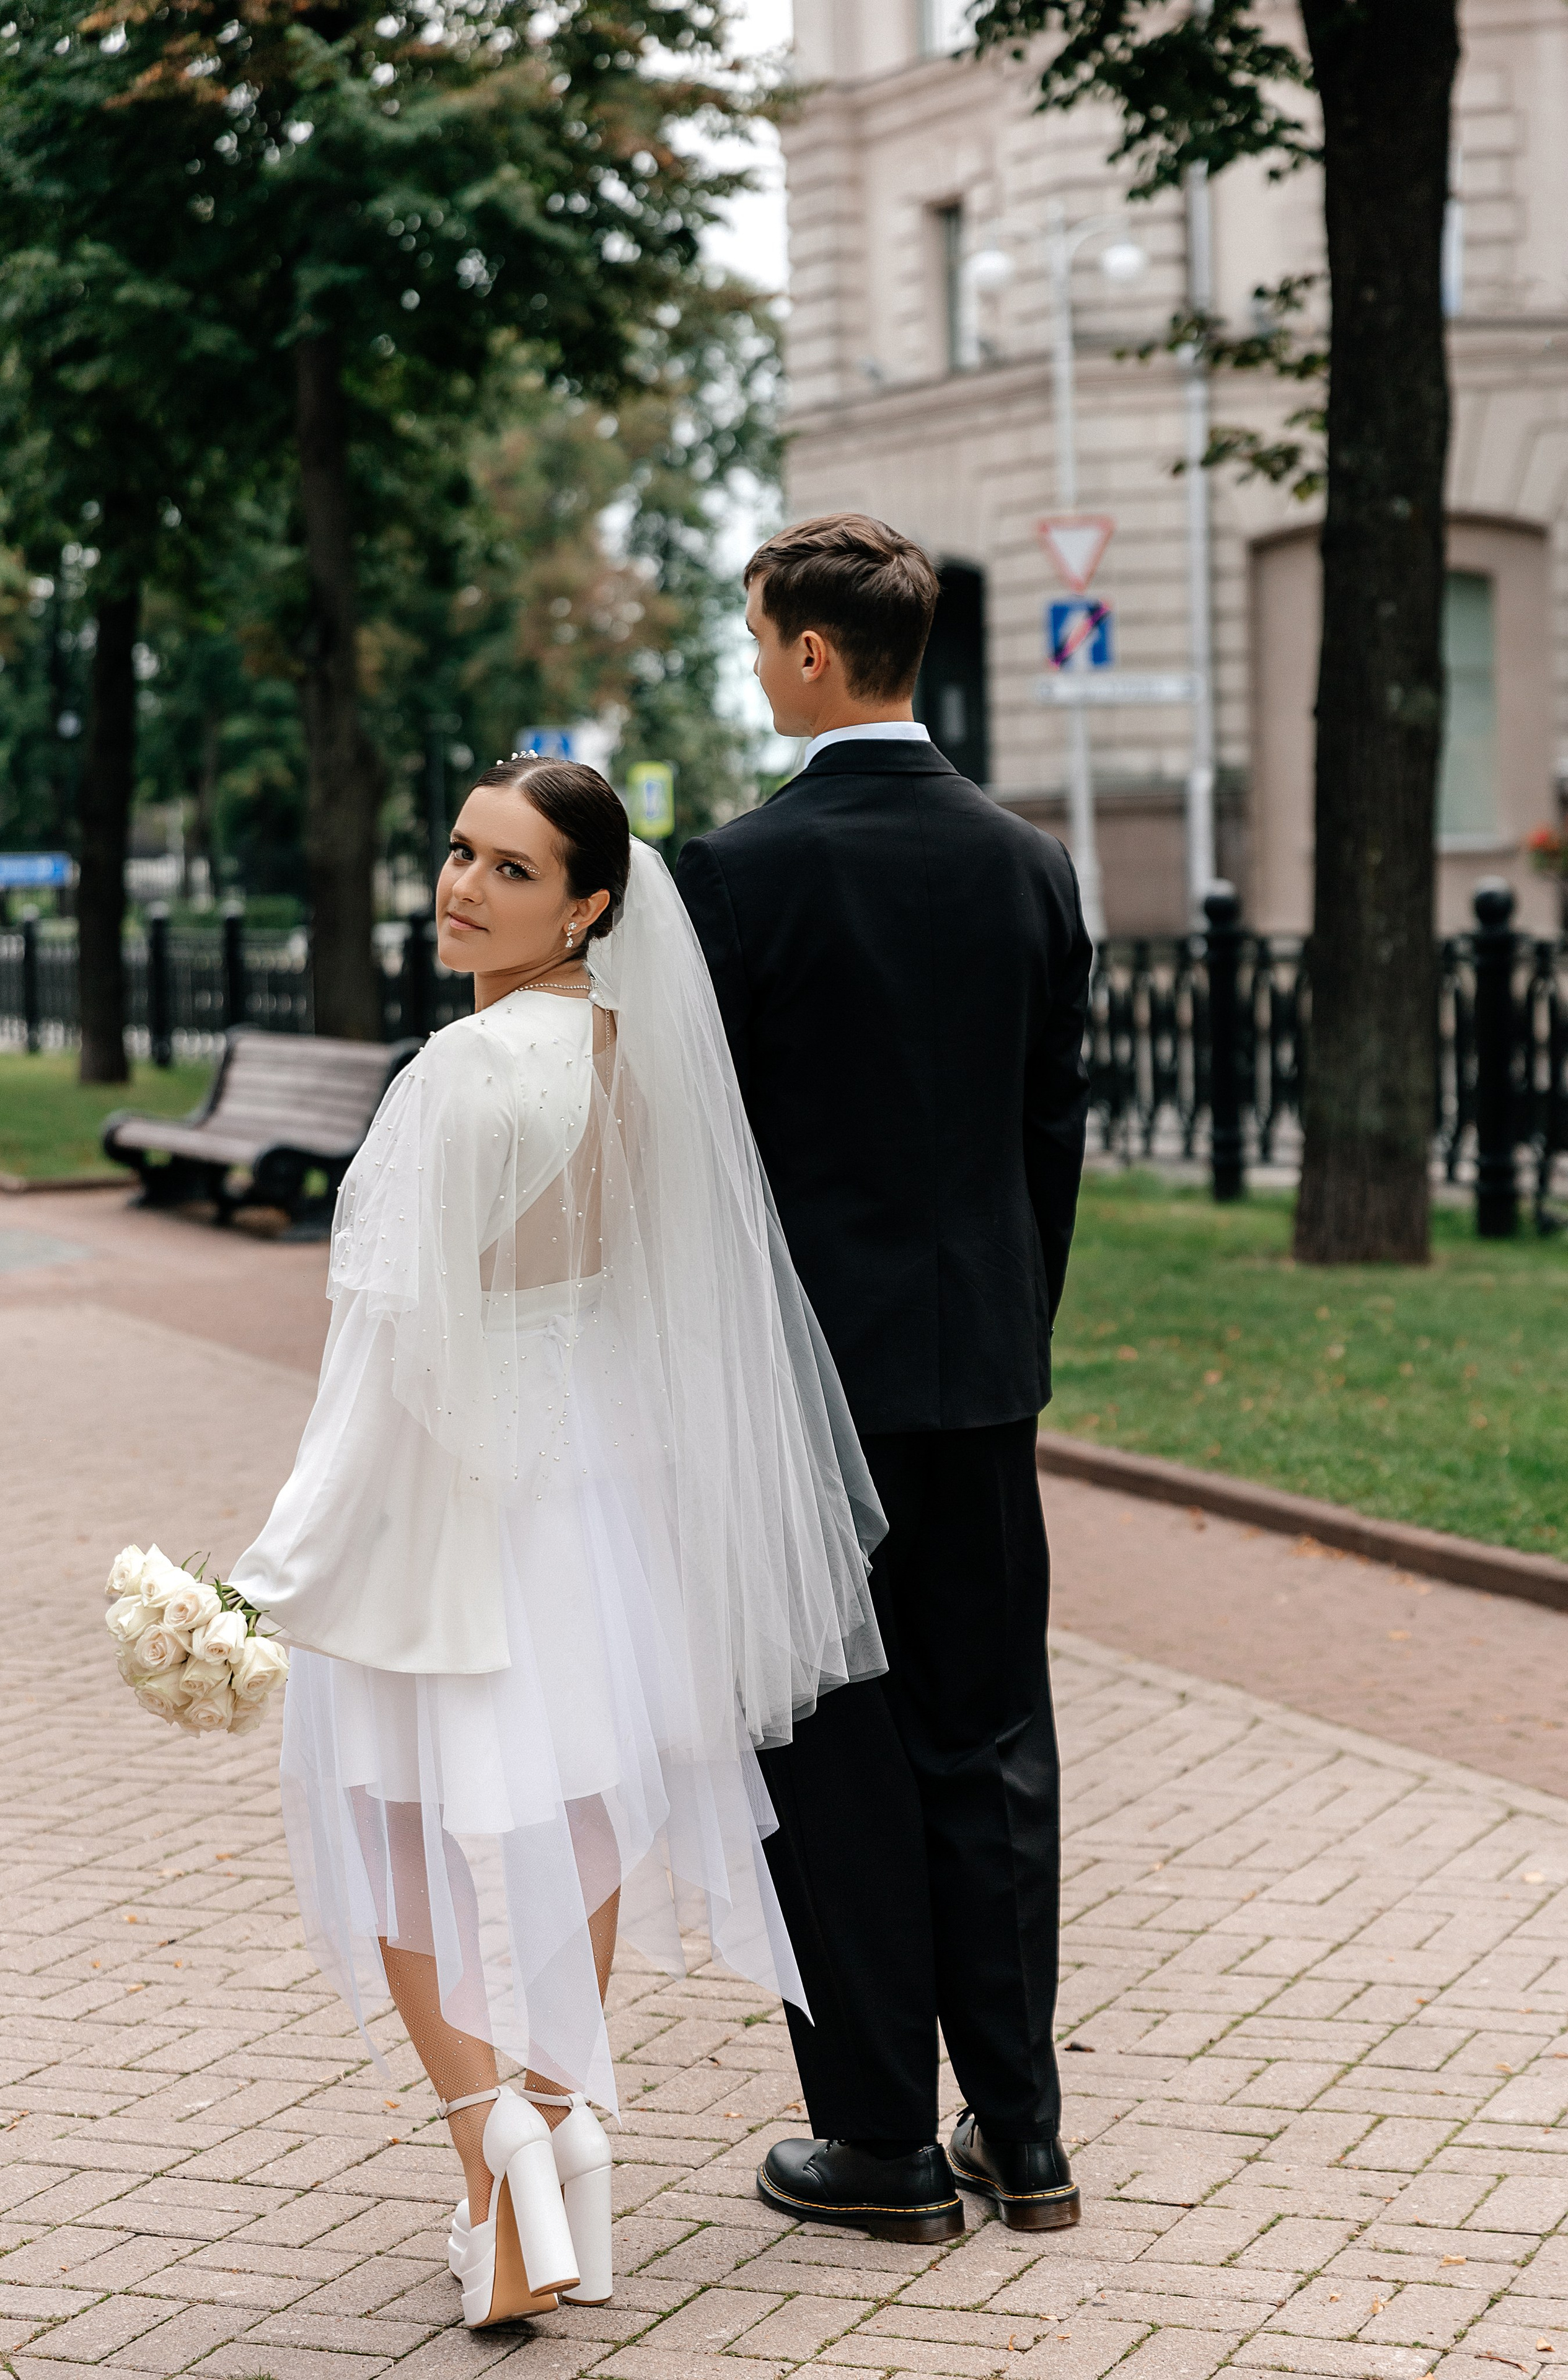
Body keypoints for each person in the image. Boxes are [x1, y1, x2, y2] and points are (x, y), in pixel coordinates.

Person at [229, 757, 887, 2327]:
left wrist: (274, 1565)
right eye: (458, 852)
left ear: (589, 903)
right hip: (597, 1493)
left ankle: (493, 2155)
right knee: (570, 1813)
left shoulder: (454, 1078)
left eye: (509, 870)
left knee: (393, 1831)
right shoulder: (631, 1056)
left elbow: (387, 1354)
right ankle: (559, 2130)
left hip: (452, 1501)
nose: (462, 885)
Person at [676, 513, 1093, 2244]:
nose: (757, 662)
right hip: (982, 1378)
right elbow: (1049, 1137)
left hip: (801, 1400)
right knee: (991, 1745)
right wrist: (1005, 1327)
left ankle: (880, 2148)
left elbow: (704, 1165)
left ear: (817, 656)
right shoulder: (1026, 861)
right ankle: (1026, 2135)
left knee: (831, 1752)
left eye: (761, 637)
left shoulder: (741, 871)